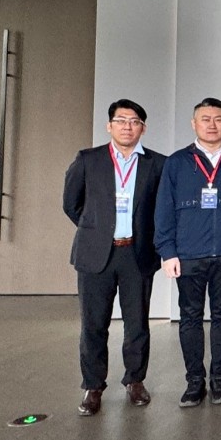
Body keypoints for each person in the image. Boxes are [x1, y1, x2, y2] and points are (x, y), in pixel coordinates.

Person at [62, 99, 166, 416]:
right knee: (94, 324)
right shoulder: (88, 160)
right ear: (109, 126)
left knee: (137, 323)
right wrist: (98, 230)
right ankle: (93, 386)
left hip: (137, 253)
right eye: (121, 120)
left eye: (134, 122)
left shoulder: (157, 164)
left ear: (143, 128)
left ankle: (135, 381)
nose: (127, 127)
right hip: (96, 254)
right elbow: (71, 203)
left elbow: (162, 210)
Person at [155, 97, 221, 407]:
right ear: (194, 123)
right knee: (190, 317)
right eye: (205, 119)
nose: (212, 125)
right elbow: (164, 209)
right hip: (188, 254)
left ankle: (219, 380)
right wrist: (168, 252)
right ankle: (194, 382)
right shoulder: (176, 162)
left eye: (218, 119)